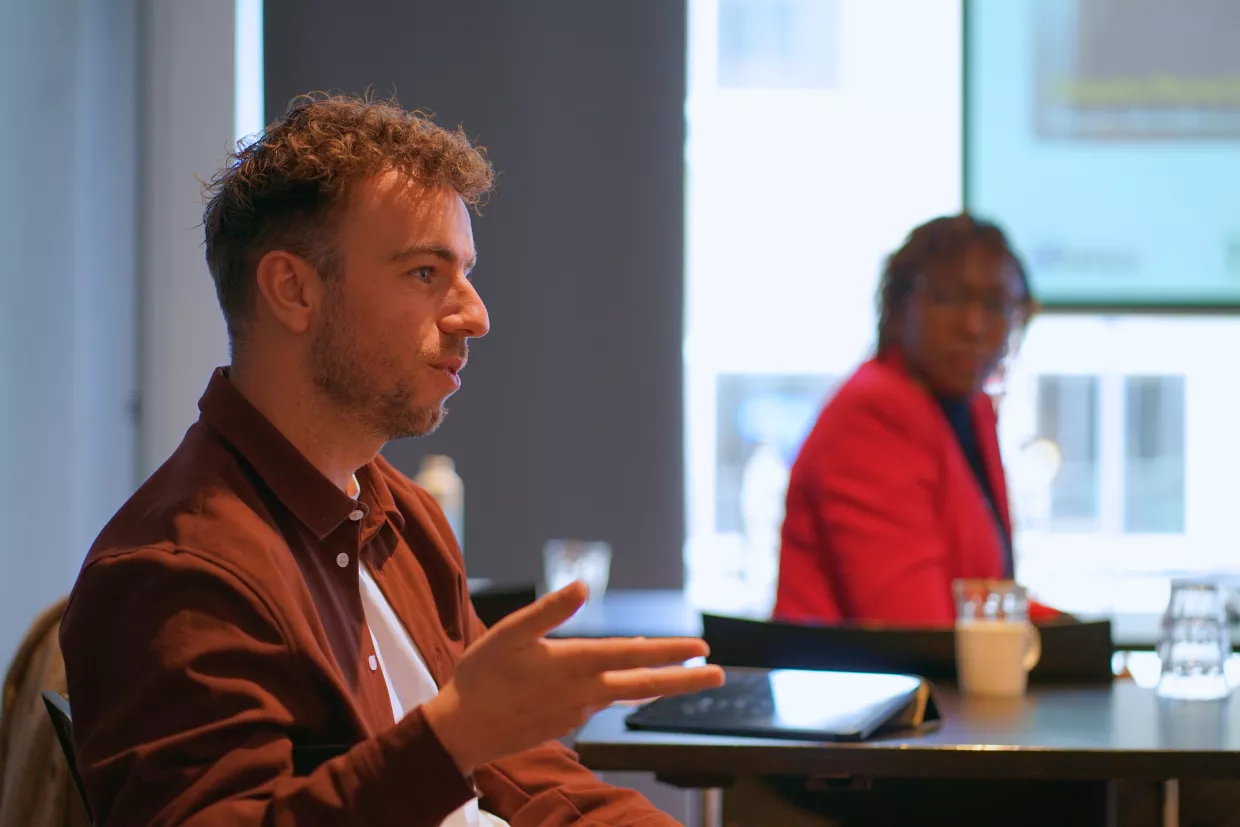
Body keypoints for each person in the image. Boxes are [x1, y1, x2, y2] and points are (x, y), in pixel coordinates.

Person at [59, 94, 724, 827]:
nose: (475, 315)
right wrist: (449, 740)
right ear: (293, 290)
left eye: (464, 272)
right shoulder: (177, 573)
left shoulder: (403, 516)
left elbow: (525, 775)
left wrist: (464, 738)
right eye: (424, 273)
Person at [774, 213, 1057, 626]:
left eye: (996, 304)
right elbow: (914, 627)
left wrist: (1075, 635)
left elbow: (983, 595)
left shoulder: (969, 408)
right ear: (898, 306)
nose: (973, 325)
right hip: (867, 668)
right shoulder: (874, 412)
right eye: (948, 298)